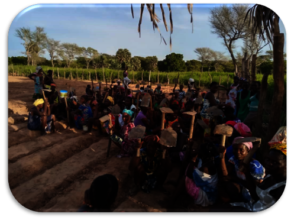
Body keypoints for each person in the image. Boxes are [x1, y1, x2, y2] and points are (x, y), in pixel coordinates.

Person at [230, 126, 287, 212]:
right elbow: (256, 197)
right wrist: (247, 173)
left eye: (275, 162)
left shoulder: (282, 188)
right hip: (252, 205)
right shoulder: (271, 176)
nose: (268, 164)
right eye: (268, 159)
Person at [218, 138, 266, 204]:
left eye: (241, 150)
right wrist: (222, 156)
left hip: (253, 193)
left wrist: (234, 178)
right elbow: (225, 175)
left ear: (248, 151)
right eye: (235, 149)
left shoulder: (254, 165)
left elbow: (256, 188)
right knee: (223, 182)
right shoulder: (235, 159)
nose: (238, 152)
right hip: (243, 187)